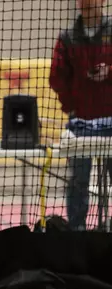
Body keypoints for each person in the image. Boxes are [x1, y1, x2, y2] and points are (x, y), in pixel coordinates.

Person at [49, 0, 112, 231]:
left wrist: (109, 72)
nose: (86, 3)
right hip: (80, 124)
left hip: (111, 122)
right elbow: (56, 77)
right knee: (78, 181)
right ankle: (77, 232)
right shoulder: (67, 38)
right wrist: (71, 106)